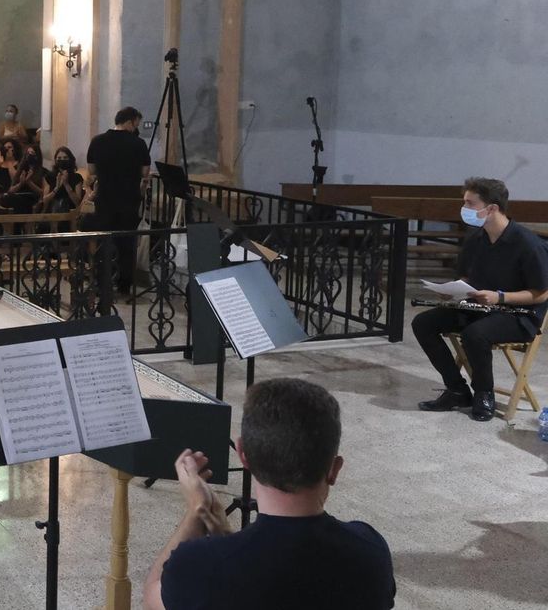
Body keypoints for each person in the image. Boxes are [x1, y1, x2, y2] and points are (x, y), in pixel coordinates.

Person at [143, 378, 394, 610]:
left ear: (243, 455)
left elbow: (153, 598)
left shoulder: (202, 565)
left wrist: (197, 510)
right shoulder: (371, 551)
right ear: (334, 469)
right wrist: (225, 535)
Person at [413, 177, 548, 421]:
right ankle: (456, 389)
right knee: (423, 323)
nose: (464, 208)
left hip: (518, 315)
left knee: (475, 334)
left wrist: (500, 297)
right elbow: (467, 276)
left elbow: (542, 292)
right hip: (479, 307)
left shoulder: (528, 244)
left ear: (492, 208)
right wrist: (453, 290)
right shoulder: (476, 238)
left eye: (470, 203)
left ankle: (484, 394)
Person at [86, 107, 151, 292]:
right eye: (136, 124)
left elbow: (91, 170)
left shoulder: (97, 141)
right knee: (126, 244)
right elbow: (145, 171)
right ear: (129, 122)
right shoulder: (138, 143)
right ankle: (124, 284)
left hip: (105, 199)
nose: (136, 129)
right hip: (128, 200)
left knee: (103, 241)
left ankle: (101, 282)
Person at [43, 146, 86, 217]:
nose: (62, 160)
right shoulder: (49, 176)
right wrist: (56, 188)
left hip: (70, 213)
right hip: (52, 212)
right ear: (55, 160)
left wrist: (66, 184)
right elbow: (45, 200)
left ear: (70, 159)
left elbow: (77, 202)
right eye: (59, 158)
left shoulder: (77, 177)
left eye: (65, 158)